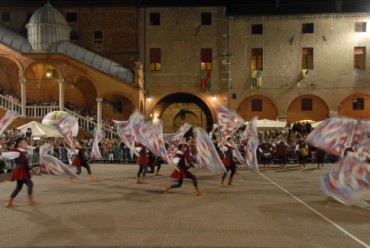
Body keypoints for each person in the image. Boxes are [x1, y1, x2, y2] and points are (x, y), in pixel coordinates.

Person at [5, 137, 37, 208]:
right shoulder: (16, 151)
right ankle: (30, 200)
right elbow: (8, 155)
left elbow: (25, 162)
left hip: (22, 170)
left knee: (18, 187)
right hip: (20, 171)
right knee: (30, 184)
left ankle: (9, 202)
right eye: (24, 142)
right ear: (19, 144)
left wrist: (29, 168)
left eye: (25, 142)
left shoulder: (23, 151)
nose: (25, 143)